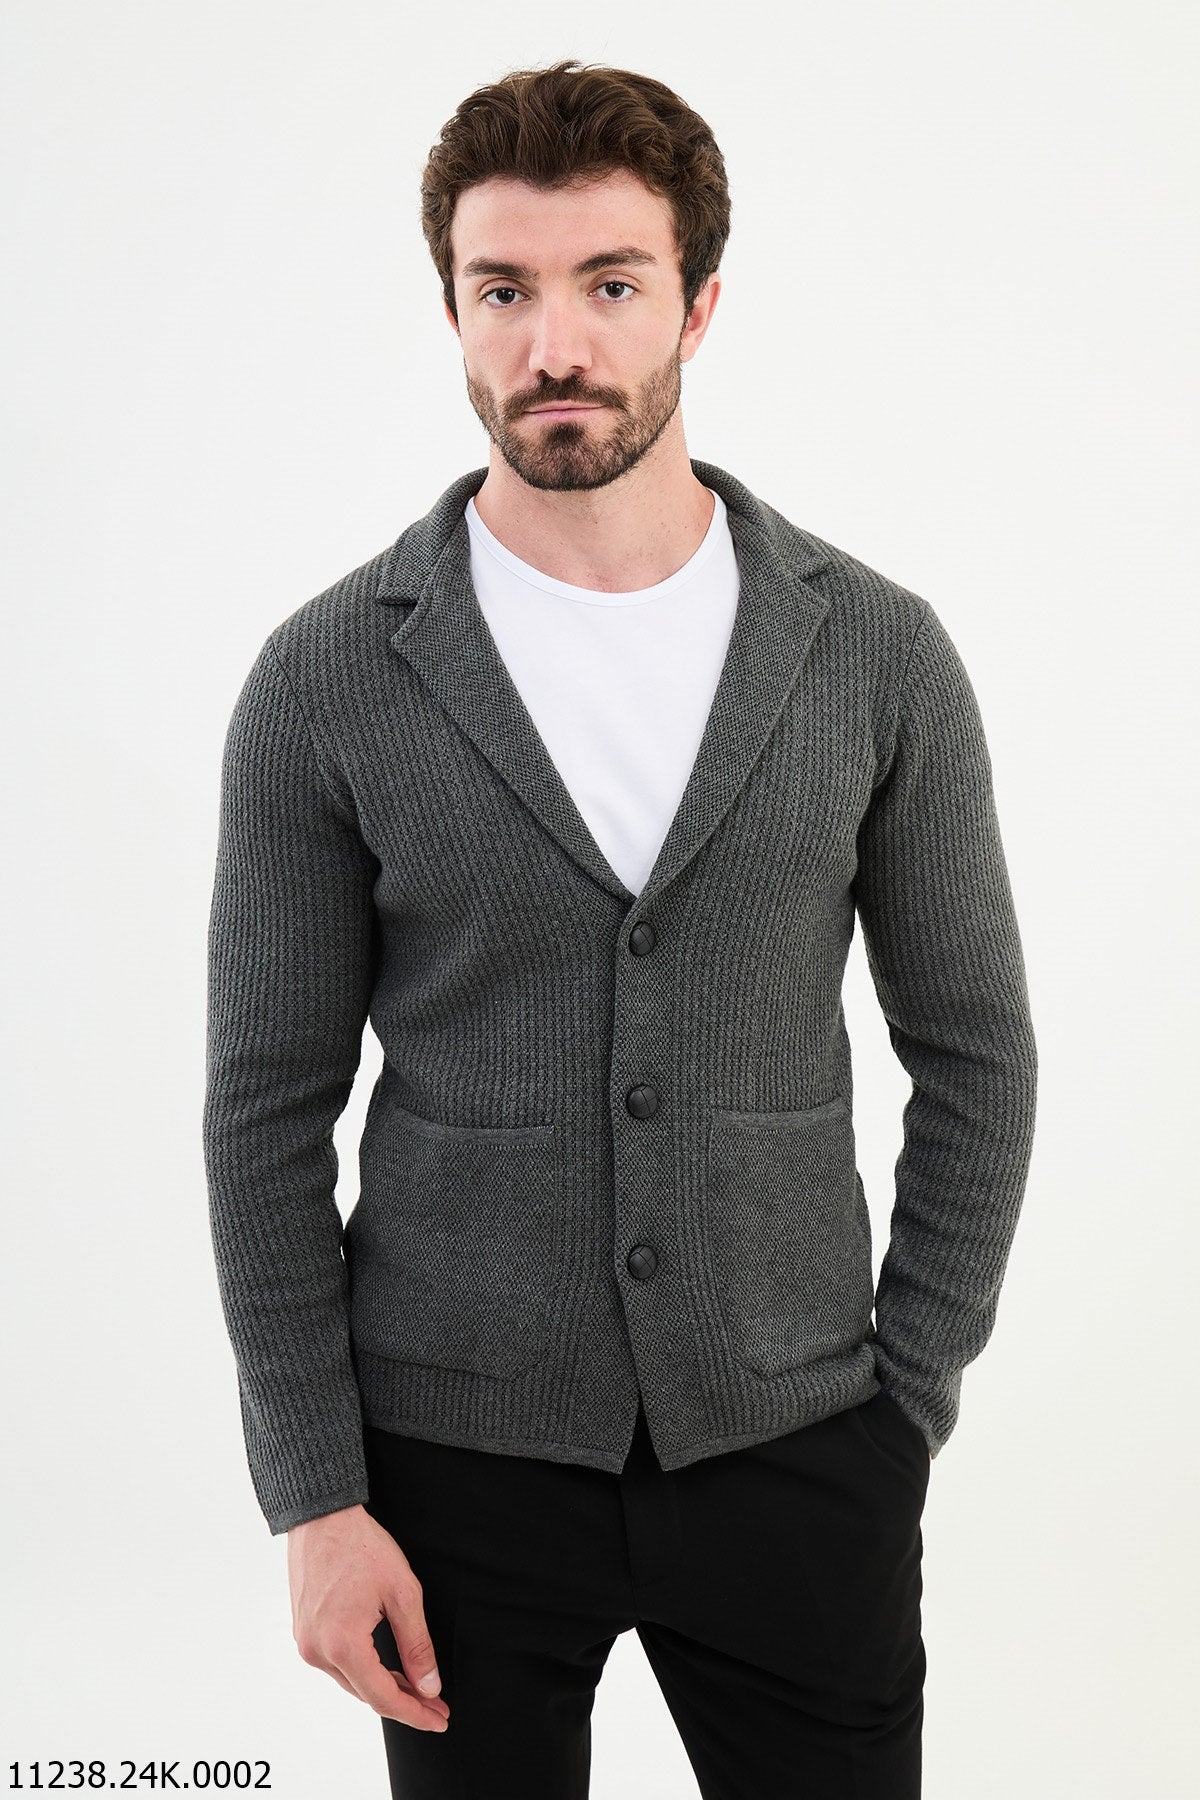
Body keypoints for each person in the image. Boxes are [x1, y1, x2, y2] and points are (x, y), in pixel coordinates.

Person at [202, 58, 1038, 1800]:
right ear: (452, 308)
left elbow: (976, 1053)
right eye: (504, 289)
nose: (554, 345)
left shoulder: (874, 654)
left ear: (698, 305)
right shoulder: (330, 677)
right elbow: (263, 1109)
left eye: (610, 284)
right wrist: (317, 1495)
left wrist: (907, 1401)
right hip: (447, 1473)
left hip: (804, 1443)